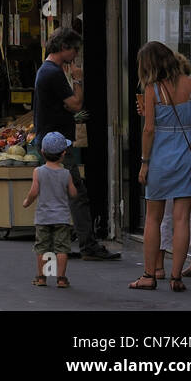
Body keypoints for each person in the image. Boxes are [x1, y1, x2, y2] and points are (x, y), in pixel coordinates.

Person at [130, 41, 191, 292]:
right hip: (188, 158)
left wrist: (144, 162)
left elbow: (149, 129)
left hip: (159, 159)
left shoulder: (152, 89)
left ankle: (149, 275)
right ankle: (177, 277)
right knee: (182, 219)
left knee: (153, 219)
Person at [32, 27, 119, 260]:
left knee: (58, 195)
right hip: (57, 142)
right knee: (76, 194)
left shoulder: (46, 69)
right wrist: (78, 80)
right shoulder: (53, 73)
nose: (76, 55)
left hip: (49, 139)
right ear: (63, 48)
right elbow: (76, 105)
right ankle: (87, 246)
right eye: (74, 50)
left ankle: (55, 245)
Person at [23, 131, 78, 288]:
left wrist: (27, 202)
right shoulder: (66, 173)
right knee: (61, 248)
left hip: (43, 218)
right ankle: (61, 278)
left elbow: (34, 192)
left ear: (42, 153)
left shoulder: (38, 172)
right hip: (61, 218)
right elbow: (73, 193)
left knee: (43, 248)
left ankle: (42, 277)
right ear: (63, 154)